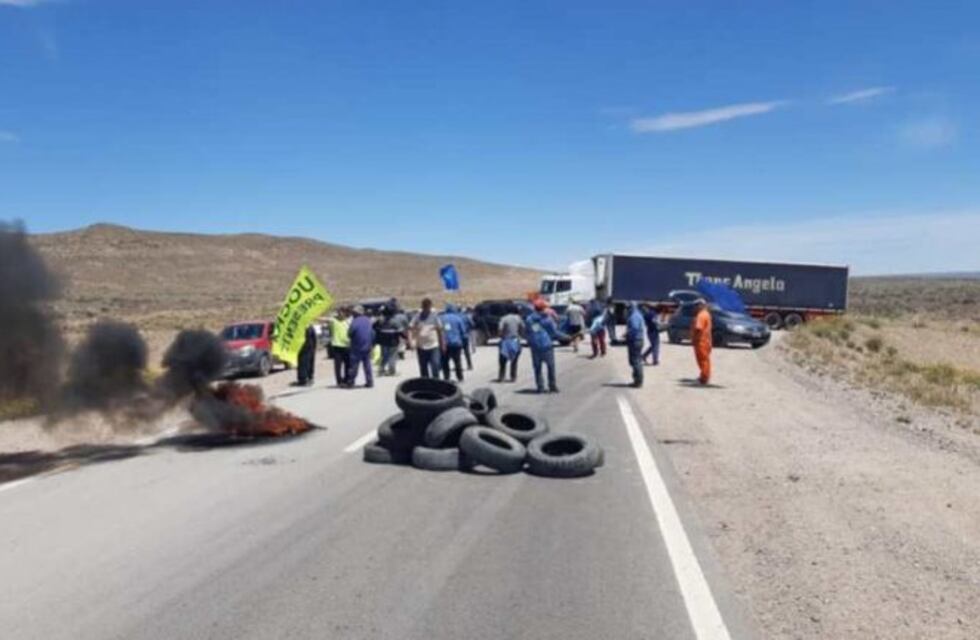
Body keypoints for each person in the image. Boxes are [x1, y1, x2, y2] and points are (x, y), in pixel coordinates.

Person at [525, 299, 569, 393]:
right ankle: (552, 386)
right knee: (550, 366)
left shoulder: (529, 319)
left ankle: (540, 387)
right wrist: (566, 337)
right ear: (543, 308)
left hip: (535, 346)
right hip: (546, 345)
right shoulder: (547, 319)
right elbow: (554, 332)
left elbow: (531, 331)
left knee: (537, 367)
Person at [410, 298, 444, 378]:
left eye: (427, 307)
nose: (426, 309)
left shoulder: (435, 316)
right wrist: (411, 341)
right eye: (424, 307)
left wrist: (442, 343)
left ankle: (436, 381)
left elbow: (440, 330)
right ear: (422, 307)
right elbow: (410, 328)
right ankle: (425, 383)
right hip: (421, 347)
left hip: (433, 346)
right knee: (423, 367)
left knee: (435, 365)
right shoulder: (417, 317)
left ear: (430, 306)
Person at [346, 306, 375, 388]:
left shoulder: (355, 322)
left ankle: (351, 382)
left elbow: (350, 334)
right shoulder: (368, 320)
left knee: (354, 365)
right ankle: (369, 382)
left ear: (355, 313)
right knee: (367, 365)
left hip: (356, 346)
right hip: (367, 345)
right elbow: (372, 333)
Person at [440, 303, 467, 382]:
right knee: (457, 361)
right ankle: (460, 377)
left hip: (445, 343)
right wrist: (464, 341)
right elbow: (463, 331)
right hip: (456, 343)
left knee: (445, 362)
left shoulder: (441, 318)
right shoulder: (458, 318)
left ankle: (446, 377)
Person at [376, 306, 406, 376]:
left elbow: (375, 328)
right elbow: (400, 331)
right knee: (392, 356)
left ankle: (381, 370)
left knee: (384, 356)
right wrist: (405, 337)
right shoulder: (395, 321)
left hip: (383, 341)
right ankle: (391, 371)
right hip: (393, 341)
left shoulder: (381, 321)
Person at [497, 308, 525, 382]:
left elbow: (500, 329)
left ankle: (501, 377)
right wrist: (520, 335)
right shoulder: (518, 318)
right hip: (515, 340)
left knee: (502, 360)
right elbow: (523, 327)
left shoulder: (503, 318)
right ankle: (513, 377)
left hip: (505, 340)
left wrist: (501, 336)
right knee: (514, 360)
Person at [691, 299, 713, 385]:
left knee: (702, 360)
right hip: (706, 340)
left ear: (701, 305)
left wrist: (694, 338)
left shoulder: (701, 315)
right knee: (705, 360)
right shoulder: (706, 313)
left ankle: (704, 378)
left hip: (701, 341)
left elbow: (698, 328)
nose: (695, 307)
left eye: (696, 305)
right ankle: (704, 376)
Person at [327, 309, 351, 387]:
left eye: (342, 313)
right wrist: (313, 316)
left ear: (345, 314)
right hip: (337, 346)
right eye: (339, 313)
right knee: (338, 365)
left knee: (347, 364)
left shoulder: (348, 322)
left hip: (346, 346)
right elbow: (324, 319)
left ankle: (346, 379)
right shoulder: (334, 321)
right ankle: (339, 381)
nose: (340, 314)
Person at [625, 302, 645, 388]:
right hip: (638, 340)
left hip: (635, 341)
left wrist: (627, 334)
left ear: (632, 307)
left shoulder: (634, 316)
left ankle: (638, 382)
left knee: (636, 362)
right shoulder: (637, 314)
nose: (627, 310)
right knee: (637, 361)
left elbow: (634, 328)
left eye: (628, 308)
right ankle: (637, 380)